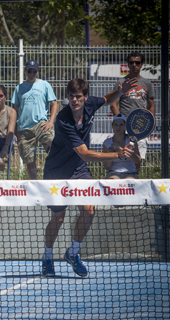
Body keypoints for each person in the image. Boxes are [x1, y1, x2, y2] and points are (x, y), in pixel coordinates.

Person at [41, 77, 137, 278]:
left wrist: (120, 92)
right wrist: (117, 155)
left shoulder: (91, 103)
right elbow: (84, 153)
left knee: (89, 211)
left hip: (79, 170)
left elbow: (105, 99)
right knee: (58, 218)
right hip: (57, 172)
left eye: (78, 96)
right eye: (71, 96)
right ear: (67, 97)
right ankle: (47, 257)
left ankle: (73, 253)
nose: (74, 100)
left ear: (85, 97)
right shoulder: (63, 120)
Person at [12, 60, 59, 179]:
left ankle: (55, 172)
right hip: (24, 128)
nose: (31, 73)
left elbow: (54, 104)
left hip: (41, 124)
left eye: (34, 71)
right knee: (29, 160)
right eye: (29, 71)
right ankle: (34, 184)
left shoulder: (44, 85)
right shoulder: (19, 88)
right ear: (25, 71)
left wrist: (51, 121)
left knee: (52, 143)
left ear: (37, 72)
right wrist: (14, 130)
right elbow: (15, 110)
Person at [110, 52, 155, 168]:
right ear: (128, 65)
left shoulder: (147, 83)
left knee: (138, 160)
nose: (134, 65)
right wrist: (122, 123)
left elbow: (151, 106)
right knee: (122, 158)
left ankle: (135, 180)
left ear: (141, 65)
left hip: (140, 127)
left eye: (137, 62)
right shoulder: (121, 83)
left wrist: (149, 124)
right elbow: (113, 105)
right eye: (131, 62)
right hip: (124, 128)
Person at [102, 114, 141, 179]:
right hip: (113, 172)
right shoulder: (107, 142)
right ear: (112, 126)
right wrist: (110, 155)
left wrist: (125, 152)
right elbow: (107, 167)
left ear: (125, 126)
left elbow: (138, 160)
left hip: (130, 172)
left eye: (121, 125)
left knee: (129, 180)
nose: (118, 127)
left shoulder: (131, 141)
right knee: (113, 180)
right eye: (116, 125)